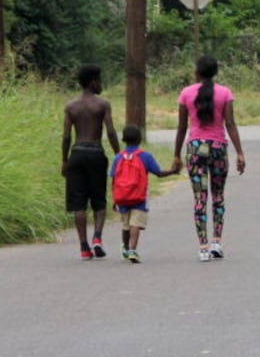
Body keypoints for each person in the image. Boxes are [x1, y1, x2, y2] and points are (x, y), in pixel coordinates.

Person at [172, 54, 246, 263]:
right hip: (218, 148)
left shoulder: (186, 93)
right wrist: (239, 152)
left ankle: (203, 247)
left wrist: (177, 155)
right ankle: (217, 242)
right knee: (218, 197)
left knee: (200, 198)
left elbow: (182, 127)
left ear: (197, 72)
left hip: (195, 149)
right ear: (215, 72)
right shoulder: (225, 93)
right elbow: (230, 124)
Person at [62, 64, 122, 260]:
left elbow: (66, 137)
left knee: (78, 204)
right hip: (96, 153)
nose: (101, 84)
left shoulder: (71, 107)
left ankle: (84, 247)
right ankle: (97, 237)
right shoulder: (102, 104)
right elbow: (111, 131)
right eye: (100, 80)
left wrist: (64, 160)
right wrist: (118, 154)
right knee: (99, 200)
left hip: (77, 154)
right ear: (94, 82)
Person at [109, 124, 175, 263]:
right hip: (139, 197)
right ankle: (133, 250)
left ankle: (126, 248)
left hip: (122, 197)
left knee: (125, 225)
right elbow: (158, 173)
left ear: (124, 140)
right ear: (139, 139)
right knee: (135, 224)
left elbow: (114, 179)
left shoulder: (117, 158)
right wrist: (173, 171)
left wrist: (114, 198)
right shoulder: (145, 156)